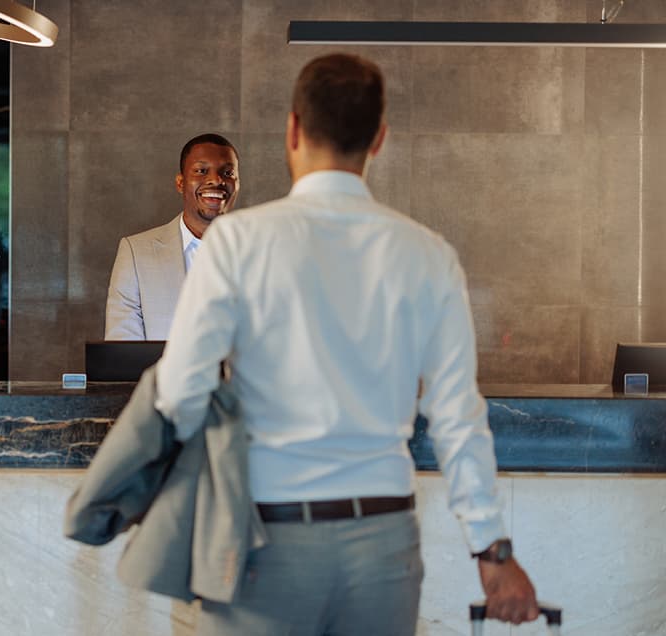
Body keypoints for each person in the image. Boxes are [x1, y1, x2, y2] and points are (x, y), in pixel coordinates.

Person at [154, 53, 539, 635]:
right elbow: (458, 417)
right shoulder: (428, 255)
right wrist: (493, 552)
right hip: (382, 550)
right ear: (378, 138)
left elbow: (180, 394)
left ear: (292, 131)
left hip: (262, 544)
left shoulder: (236, 244)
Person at [104, 133, 239, 340]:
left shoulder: (263, 254)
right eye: (201, 171)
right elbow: (123, 352)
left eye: (227, 172)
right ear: (180, 183)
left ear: (237, 184)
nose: (215, 180)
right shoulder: (135, 253)